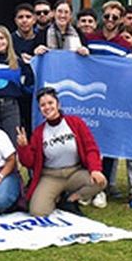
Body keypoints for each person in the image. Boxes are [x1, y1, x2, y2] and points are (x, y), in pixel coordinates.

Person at [17, 87, 106, 216]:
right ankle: (56, 197)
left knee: (100, 181)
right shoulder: (38, 132)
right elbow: (30, 162)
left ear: (58, 104)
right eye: (42, 105)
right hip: (51, 175)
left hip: (74, 172)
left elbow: (91, 149)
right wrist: (23, 147)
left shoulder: (75, 123)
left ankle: (71, 199)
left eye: (50, 103)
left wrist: (95, 169)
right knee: (38, 212)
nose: (47, 107)